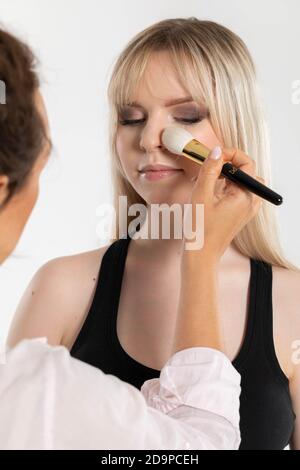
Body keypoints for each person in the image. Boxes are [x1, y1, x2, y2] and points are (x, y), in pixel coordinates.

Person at [8, 19, 300, 450]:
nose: (149, 139)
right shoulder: (62, 287)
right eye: (130, 118)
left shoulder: (292, 300)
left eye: (185, 117)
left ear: (237, 127)